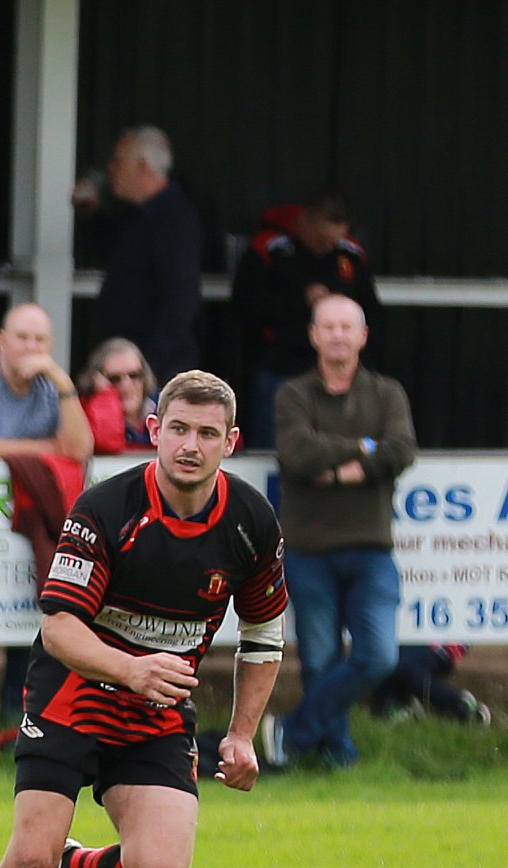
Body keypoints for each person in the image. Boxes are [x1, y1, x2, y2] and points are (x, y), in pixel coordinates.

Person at [0, 370, 288, 868]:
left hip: (155, 710)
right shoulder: (105, 509)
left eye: (207, 433)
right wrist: (130, 669)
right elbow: (59, 627)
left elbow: (264, 633)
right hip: (74, 692)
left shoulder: (250, 522)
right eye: (178, 428)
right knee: (29, 856)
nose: (190, 445)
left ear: (231, 442)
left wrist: (240, 735)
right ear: (153, 430)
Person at [259, 295, 416, 771]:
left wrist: (339, 469)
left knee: (378, 656)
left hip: (373, 550)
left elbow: (401, 451)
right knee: (319, 661)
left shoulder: (387, 393)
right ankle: (336, 753)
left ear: (363, 335)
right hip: (309, 551)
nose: (338, 335)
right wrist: (365, 449)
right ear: (313, 335)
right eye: (328, 327)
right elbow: (296, 454)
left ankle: (288, 732)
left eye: (347, 327)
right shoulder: (293, 394)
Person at [0, 304, 94, 734]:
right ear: (0, 341)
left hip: (30, 523)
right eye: (23, 338)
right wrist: (47, 448)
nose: (31, 349)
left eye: (41, 341)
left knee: (27, 622)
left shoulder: (51, 386)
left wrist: (62, 382)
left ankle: (18, 721)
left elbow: (79, 449)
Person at [231, 190, 381, 450]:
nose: (327, 247)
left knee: (336, 444)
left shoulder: (351, 255)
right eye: (322, 239)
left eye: (334, 241)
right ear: (303, 221)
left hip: (337, 372)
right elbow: (246, 308)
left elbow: (371, 309)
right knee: (273, 446)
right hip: (281, 367)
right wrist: (300, 301)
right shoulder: (270, 249)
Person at [78, 127, 202, 387]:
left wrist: (147, 370)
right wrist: (92, 214)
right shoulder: (138, 215)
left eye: (118, 162)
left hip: (152, 371)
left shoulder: (174, 219)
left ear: (143, 166)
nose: (110, 170)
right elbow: (114, 255)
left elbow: (179, 301)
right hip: (127, 365)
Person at [78, 337, 156, 455]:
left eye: (134, 375)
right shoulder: (80, 415)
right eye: (115, 378)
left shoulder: (164, 412)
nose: (126, 384)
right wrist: (106, 396)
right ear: (97, 381)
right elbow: (106, 444)